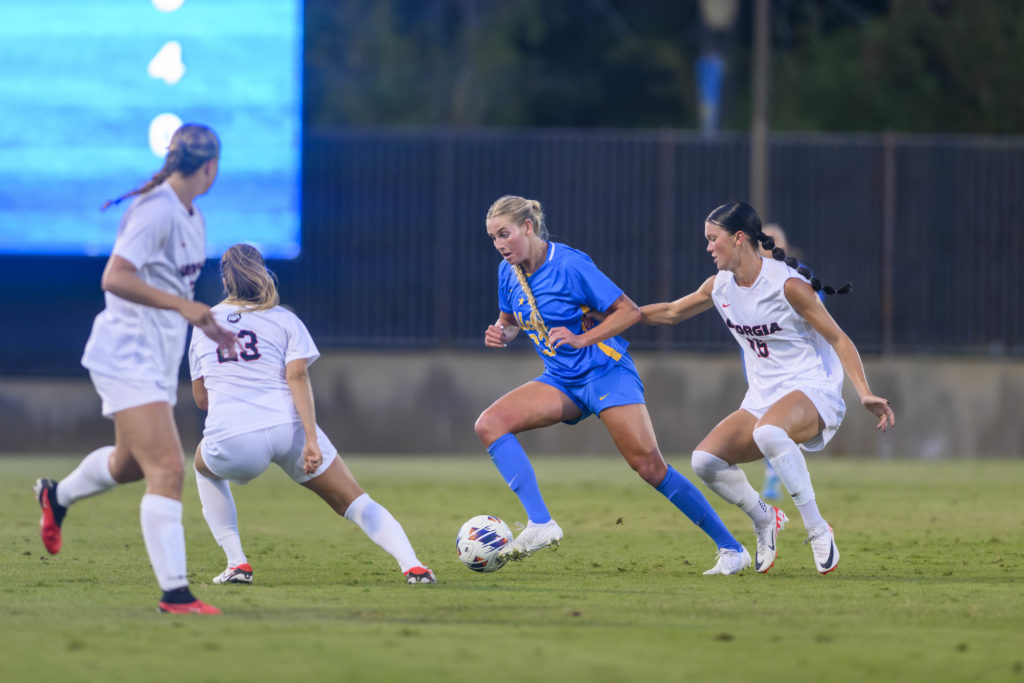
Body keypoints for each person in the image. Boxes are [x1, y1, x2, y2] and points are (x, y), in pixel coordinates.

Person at [476, 195, 751, 575]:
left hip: (607, 372)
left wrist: (580, 339)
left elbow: (630, 312)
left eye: (504, 234)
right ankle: (541, 524)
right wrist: (502, 333)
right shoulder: (508, 272)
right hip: (561, 380)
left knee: (650, 467)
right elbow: (510, 318)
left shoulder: (571, 264)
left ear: (528, 227)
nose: (499, 244)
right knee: (489, 424)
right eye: (493, 238)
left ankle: (732, 549)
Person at [34, 123, 237, 614]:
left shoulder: (193, 217)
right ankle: (176, 594)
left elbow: (171, 293)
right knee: (167, 467)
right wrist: (183, 307)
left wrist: (202, 321)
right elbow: (115, 277)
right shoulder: (156, 209)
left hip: (155, 359)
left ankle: (56, 496)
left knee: (128, 464)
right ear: (209, 167)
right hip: (125, 353)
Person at [639, 201, 894, 575]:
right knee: (704, 461)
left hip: (813, 390)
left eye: (714, 239)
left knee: (770, 432)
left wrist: (864, 392)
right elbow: (672, 312)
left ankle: (817, 528)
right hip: (762, 398)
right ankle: (764, 518)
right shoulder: (720, 285)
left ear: (739, 238)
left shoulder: (787, 285)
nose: (708, 247)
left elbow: (839, 339)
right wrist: (612, 312)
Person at [188, 244, 436, 585]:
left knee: (203, 470)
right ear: (262, 270)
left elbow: (202, 399)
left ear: (224, 277)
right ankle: (414, 567)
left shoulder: (203, 323)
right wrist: (311, 439)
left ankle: (237, 564)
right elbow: (297, 377)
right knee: (354, 500)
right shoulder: (285, 319)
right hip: (288, 429)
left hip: (233, 437)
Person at [754, 223, 823, 501]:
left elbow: (817, 314)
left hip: (795, 367)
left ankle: (783, 481)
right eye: (764, 240)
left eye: (775, 240)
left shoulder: (797, 277)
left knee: (777, 428)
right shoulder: (746, 277)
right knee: (766, 427)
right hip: (763, 366)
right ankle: (777, 477)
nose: (769, 244)